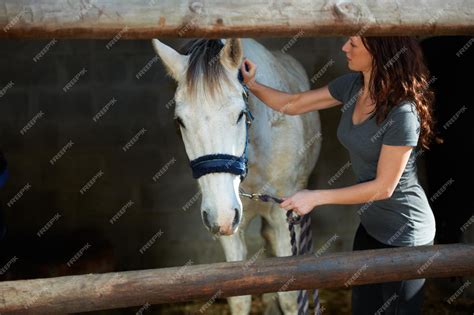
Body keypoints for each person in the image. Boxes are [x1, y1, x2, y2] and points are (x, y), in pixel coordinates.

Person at [240, 36, 441, 314]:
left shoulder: (403, 113)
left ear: (379, 51)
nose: (344, 47)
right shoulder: (352, 86)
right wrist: (251, 84)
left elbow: (384, 188)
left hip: (406, 234)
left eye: (354, 44)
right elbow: (294, 103)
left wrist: (315, 197)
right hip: (370, 228)